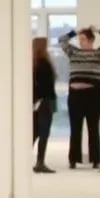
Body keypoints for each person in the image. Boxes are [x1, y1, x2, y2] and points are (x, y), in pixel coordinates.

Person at [60, 24, 100, 169]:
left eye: (83, 39)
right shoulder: (73, 52)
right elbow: (61, 40)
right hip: (75, 96)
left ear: (91, 40)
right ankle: (73, 159)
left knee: (93, 128)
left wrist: (99, 30)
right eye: (80, 39)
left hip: (93, 96)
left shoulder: (99, 53)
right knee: (75, 129)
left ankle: (95, 159)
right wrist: (75, 32)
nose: (80, 42)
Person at [32, 37, 57, 173]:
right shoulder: (44, 63)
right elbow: (46, 85)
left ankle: (26, 160)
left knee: (35, 132)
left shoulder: (33, 63)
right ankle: (40, 162)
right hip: (45, 101)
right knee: (43, 133)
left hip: (37, 101)